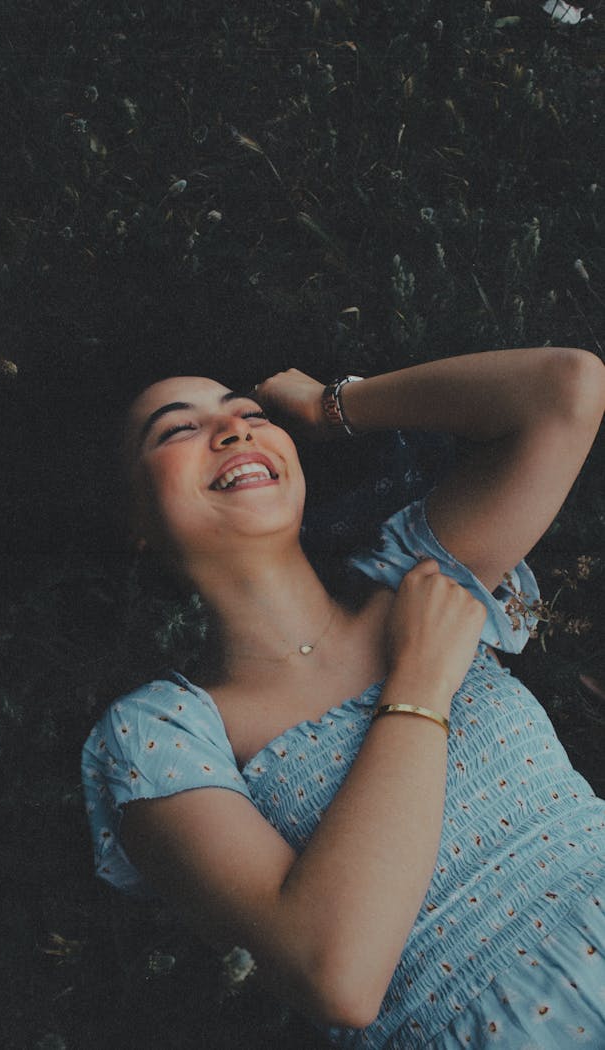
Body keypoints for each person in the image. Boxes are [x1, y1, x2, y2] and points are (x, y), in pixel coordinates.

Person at [82, 347, 605, 1048]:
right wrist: (419, 684)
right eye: (178, 429)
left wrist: (329, 406)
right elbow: (338, 979)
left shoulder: (417, 571)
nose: (233, 430)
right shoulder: (158, 733)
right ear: (135, 523)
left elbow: (568, 388)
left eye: (250, 413)